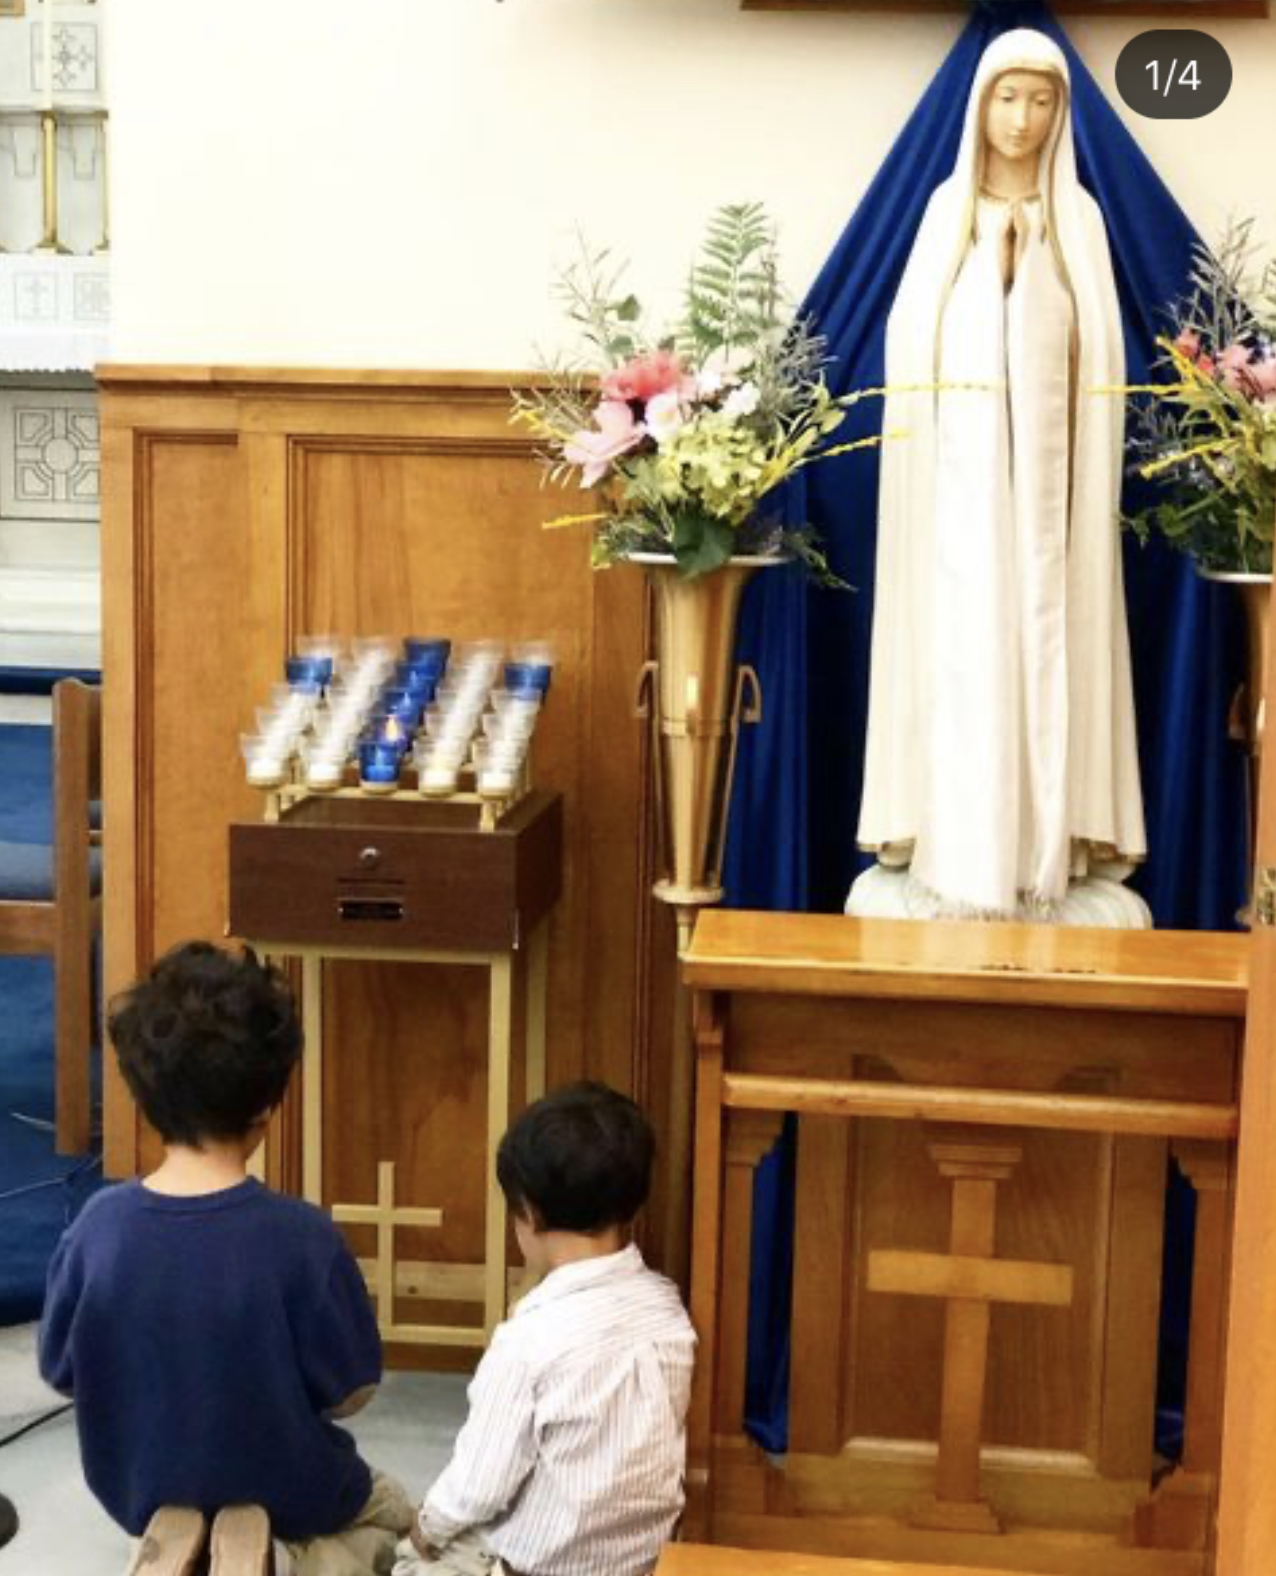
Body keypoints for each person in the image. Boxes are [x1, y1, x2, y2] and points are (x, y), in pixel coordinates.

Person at [851, 28, 1147, 922]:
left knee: (1046, 637)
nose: (1022, 119)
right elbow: (913, 349)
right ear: (979, 105)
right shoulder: (948, 211)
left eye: (1042, 101)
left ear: (1061, 114)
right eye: (1008, 98)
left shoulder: (1078, 219)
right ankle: (952, 838)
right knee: (965, 640)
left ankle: (1049, 842)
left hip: (1052, 497)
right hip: (959, 495)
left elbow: (1102, 360)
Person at [39, 941, 414, 1576]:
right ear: (266, 1105)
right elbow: (352, 1392)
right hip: (295, 1489)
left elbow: (62, 1374)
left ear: (142, 1095)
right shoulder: (305, 1237)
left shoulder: (95, 1230)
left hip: (142, 1491)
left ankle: (181, 1547)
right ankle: (293, 1558)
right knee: (397, 1514)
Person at [394, 1082, 696, 1576]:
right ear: (635, 1203)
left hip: (537, 1568)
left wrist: (425, 1530)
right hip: (642, 1565)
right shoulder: (668, 1312)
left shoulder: (528, 1340)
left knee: (409, 1561)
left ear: (528, 1214)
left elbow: (480, 1485)